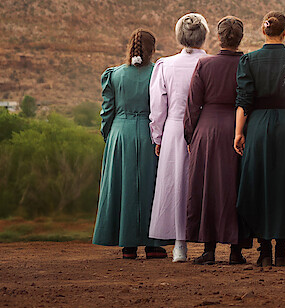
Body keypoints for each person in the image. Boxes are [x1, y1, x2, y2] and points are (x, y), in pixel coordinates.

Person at [234, 12, 285, 267]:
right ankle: (283, 249)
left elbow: (244, 100)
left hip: (257, 127)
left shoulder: (249, 60)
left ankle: (264, 249)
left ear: (262, 31)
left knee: (260, 183)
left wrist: (238, 133)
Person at [93, 29, 169, 259]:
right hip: (149, 134)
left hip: (120, 133)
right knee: (151, 187)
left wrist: (110, 137)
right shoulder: (158, 73)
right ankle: (153, 244)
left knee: (123, 187)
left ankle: (128, 246)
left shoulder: (114, 75)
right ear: (152, 49)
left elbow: (107, 113)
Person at [184, 16, 248, 265]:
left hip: (207, 131)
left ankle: (208, 249)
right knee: (235, 187)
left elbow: (192, 104)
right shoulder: (247, 63)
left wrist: (190, 135)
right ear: (240, 38)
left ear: (218, 38)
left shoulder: (204, 64)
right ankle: (236, 251)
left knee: (207, 187)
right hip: (237, 130)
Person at [148, 13, 210, 263]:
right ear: (203, 36)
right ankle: (208, 242)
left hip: (173, 129)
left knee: (176, 183)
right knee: (202, 183)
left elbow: (157, 106)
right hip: (203, 127)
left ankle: (179, 245)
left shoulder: (165, 65)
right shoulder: (211, 62)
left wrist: (158, 136)